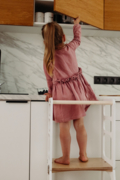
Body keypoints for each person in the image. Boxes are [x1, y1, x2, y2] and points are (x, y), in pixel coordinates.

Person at [42, 17, 97, 165]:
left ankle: (66, 157)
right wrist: (76, 24)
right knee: (80, 125)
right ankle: (83, 154)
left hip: (61, 95)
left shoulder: (48, 58)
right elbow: (78, 39)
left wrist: (50, 93)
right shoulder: (70, 48)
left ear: (45, 42)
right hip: (77, 92)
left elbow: (50, 80)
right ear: (64, 37)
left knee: (64, 127)